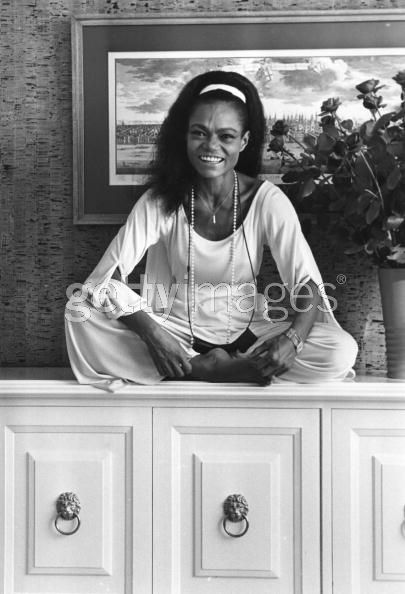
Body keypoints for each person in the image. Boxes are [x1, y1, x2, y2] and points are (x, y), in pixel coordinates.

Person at [65, 70, 358, 391]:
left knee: (340, 351)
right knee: (79, 311)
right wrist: (153, 334)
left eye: (226, 136)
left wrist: (292, 340)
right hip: (175, 335)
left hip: (252, 337)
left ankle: (194, 369)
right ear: (185, 136)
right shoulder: (161, 200)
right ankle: (204, 368)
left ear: (244, 141)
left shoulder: (267, 200)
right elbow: (107, 278)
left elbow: (307, 285)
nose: (210, 146)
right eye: (199, 133)